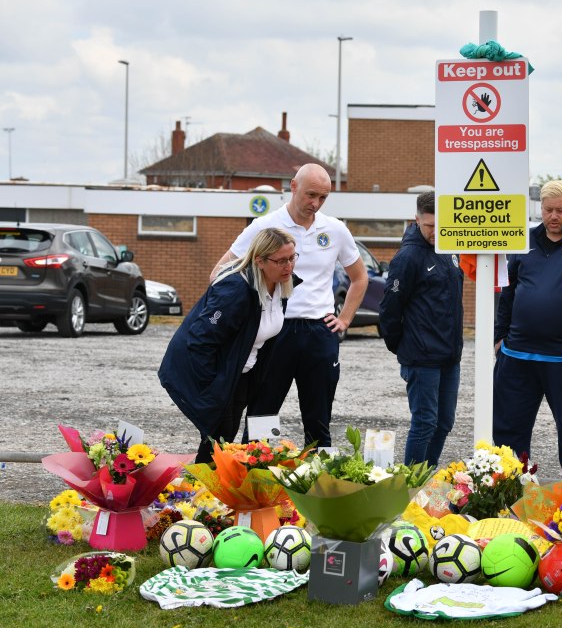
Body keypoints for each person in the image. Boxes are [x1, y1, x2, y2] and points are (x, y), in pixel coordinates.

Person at [210, 163, 368, 448]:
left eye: (323, 197)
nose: (315, 204)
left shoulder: (335, 229)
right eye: (310, 195)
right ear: (293, 187)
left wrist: (344, 319)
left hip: (320, 333)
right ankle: (252, 483)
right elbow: (219, 273)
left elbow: (359, 278)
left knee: (318, 420)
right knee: (262, 416)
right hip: (275, 333)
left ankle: (319, 488)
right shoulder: (264, 226)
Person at [493, 179, 562, 475]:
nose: (553, 217)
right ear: (540, 209)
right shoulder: (523, 240)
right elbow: (507, 291)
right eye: (547, 210)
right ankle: (509, 494)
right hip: (517, 355)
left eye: (560, 210)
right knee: (508, 433)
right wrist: (499, 336)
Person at [159, 228, 298, 463]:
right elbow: (201, 339)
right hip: (216, 372)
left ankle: (209, 488)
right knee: (218, 435)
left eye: (293, 257)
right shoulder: (236, 289)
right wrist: (212, 386)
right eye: (281, 260)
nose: (289, 266)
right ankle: (202, 490)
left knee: (224, 434)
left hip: (242, 370)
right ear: (260, 261)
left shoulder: (280, 285)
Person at [379, 192, 464, 467]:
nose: (436, 233)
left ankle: (426, 476)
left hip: (450, 356)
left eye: (442, 227)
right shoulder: (408, 257)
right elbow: (390, 309)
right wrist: (402, 347)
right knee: (425, 422)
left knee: (444, 422)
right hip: (421, 357)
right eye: (430, 227)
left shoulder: (449, 249)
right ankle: (411, 486)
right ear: (417, 221)